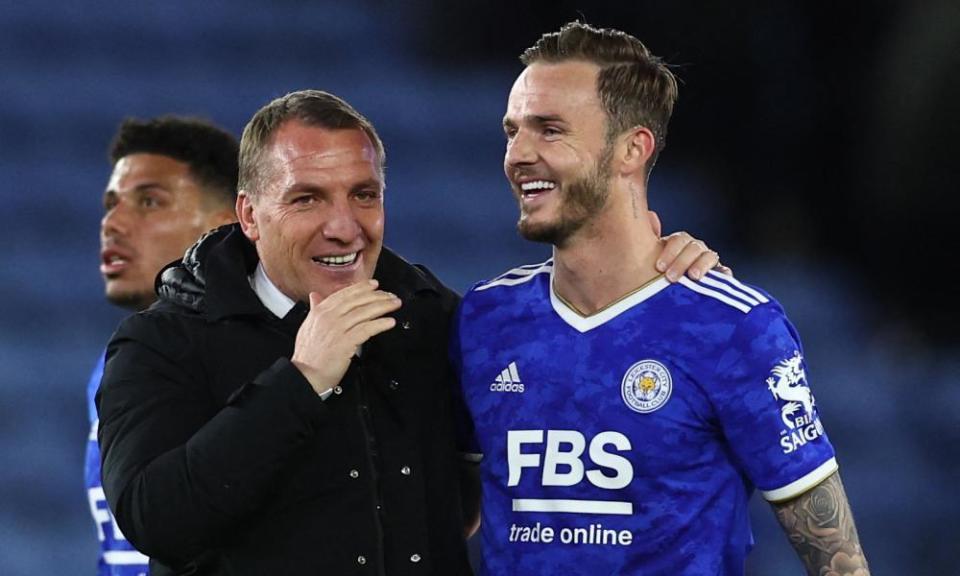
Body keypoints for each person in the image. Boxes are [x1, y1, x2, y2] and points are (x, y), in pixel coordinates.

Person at [96, 89, 719, 575]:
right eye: (308, 199)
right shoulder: (160, 344)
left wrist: (648, 279)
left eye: (363, 195)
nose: (345, 227)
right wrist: (303, 377)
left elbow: (558, 418)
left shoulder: (428, 317)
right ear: (249, 215)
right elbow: (157, 520)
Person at [451, 22, 871, 576]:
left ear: (632, 148)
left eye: (549, 130)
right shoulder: (484, 319)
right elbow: (448, 511)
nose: (518, 154)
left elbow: (837, 559)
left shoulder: (732, 326)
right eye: (512, 131)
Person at [87, 116, 239, 575]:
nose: (113, 223)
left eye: (150, 201)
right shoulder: (118, 362)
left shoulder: (267, 360)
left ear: (229, 224)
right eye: (111, 204)